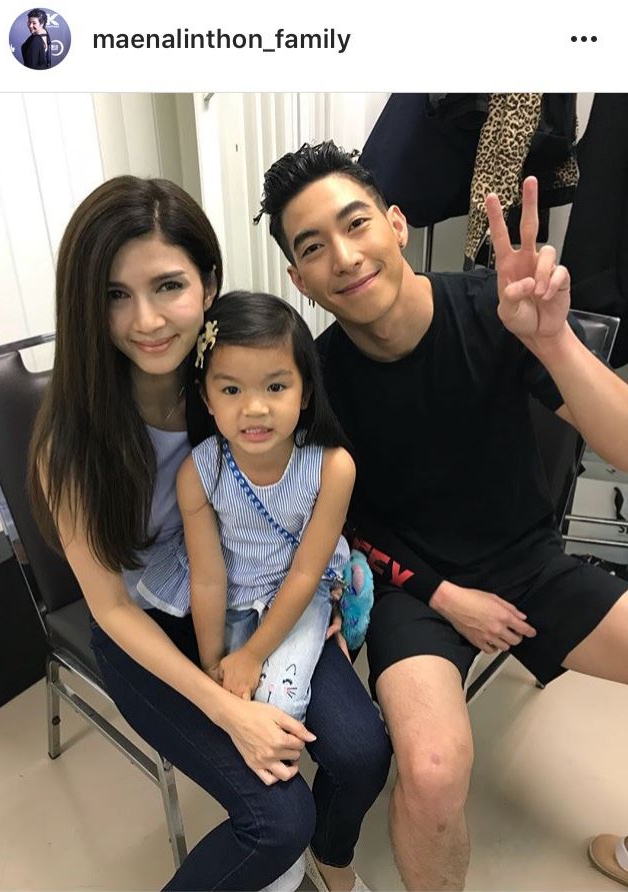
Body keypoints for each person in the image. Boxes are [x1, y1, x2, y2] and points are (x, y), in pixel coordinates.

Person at [256, 141, 628, 891]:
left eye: (356, 223)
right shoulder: (315, 384)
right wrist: (443, 594)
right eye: (314, 247)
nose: (344, 257)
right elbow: (342, 529)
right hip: (413, 588)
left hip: (529, 558)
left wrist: (553, 340)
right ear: (299, 279)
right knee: (430, 770)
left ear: (396, 224)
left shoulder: (493, 307)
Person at [28, 175, 391, 892]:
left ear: (209, 283)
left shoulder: (238, 383)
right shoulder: (73, 441)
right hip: (146, 625)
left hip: (255, 595)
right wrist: (226, 707)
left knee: (361, 753)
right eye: (114, 294)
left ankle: (330, 864)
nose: (146, 320)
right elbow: (111, 608)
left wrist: (315, 589)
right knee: (277, 819)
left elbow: (304, 492)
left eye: (168, 286)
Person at [137, 290, 356, 726]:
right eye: (231, 389)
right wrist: (212, 665)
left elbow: (305, 573)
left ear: (306, 391)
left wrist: (253, 655)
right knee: (233, 702)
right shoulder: (199, 473)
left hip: (301, 589)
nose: (255, 408)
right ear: (207, 399)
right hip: (236, 595)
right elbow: (208, 577)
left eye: (276, 387)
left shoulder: (332, 467)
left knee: (279, 708)